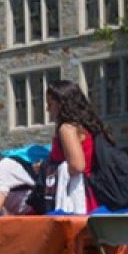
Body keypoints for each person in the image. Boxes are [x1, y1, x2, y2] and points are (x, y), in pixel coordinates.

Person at [45, 80, 111, 214]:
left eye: (50, 104)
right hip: (89, 193)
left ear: (61, 104)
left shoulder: (67, 128)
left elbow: (77, 165)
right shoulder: (85, 126)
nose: (48, 109)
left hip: (77, 195)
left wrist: (52, 170)